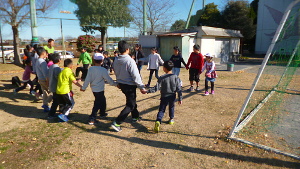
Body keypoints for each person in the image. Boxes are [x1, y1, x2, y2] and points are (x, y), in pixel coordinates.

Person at [111, 40, 147, 132]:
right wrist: (141, 87)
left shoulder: (116, 60)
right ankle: (117, 122)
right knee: (130, 105)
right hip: (130, 86)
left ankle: (135, 116)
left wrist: (118, 82)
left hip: (122, 85)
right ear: (127, 49)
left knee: (132, 101)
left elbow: (116, 72)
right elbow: (136, 76)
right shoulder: (130, 60)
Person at [81, 54, 117, 125]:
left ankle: (102, 113)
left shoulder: (91, 69)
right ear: (102, 61)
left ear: (93, 60)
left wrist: (84, 87)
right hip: (99, 89)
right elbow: (109, 80)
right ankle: (92, 118)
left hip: (94, 89)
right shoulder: (103, 70)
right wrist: (116, 84)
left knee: (102, 99)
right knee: (97, 103)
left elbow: (87, 79)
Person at [147, 61, 183, 133]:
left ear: (165, 68)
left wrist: (147, 91)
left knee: (162, 109)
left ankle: (158, 120)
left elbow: (156, 88)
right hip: (172, 95)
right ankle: (171, 119)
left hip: (164, 96)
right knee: (171, 107)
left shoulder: (161, 78)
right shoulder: (176, 78)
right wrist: (180, 98)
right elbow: (179, 89)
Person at [35, 47, 52, 112]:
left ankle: (45, 105)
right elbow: (45, 73)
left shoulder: (38, 60)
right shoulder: (43, 62)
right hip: (44, 79)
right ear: (43, 53)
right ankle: (46, 103)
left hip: (40, 79)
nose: (46, 54)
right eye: (46, 53)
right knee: (51, 92)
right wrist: (47, 81)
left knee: (45, 92)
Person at [48, 53, 62, 119]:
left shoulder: (51, 66)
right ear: (59, 60)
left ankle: (58, 112)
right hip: (56, 87)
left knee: (57, 101)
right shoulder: (57, 68)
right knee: (56, 101)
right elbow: (59, 78)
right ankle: (51, 114)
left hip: (52, 86)